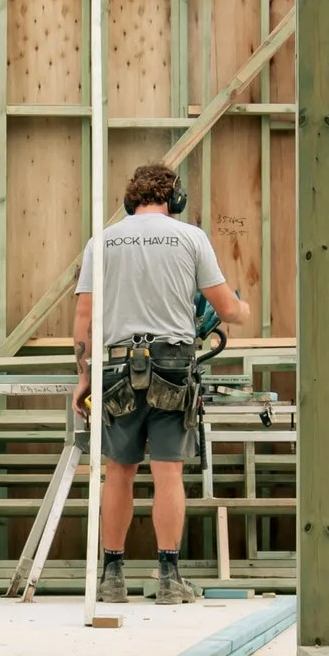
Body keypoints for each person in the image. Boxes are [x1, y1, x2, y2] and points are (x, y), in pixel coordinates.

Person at [72, 161, 246, 607]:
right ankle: (169, 578)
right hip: (172, 366)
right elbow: (225, 308)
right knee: (168, 472)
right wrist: (241, 311)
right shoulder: (191, 238)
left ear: (131, 198)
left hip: (115, 368)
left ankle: (112, 577)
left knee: (118, 471)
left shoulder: (103, 241)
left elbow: (84, 320)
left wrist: (85, 376)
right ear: (175, 198)